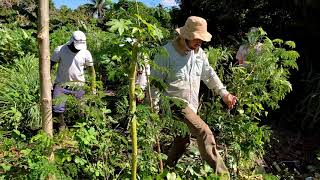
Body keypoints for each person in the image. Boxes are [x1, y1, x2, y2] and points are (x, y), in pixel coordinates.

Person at [151, 16, 237, 178]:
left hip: (191, 106)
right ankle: (223, 175)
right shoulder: (166, 53)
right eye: (197, 38)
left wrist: (224, 94)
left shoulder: (199, 53)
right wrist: (153, 109)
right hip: (172, 103)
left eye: (202, 39)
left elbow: (209, 75)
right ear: (186, 35)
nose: (200, 42)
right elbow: (154, 83)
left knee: (182, 141)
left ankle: (165, 173)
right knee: (204, 132)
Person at [50, 30, 96, 130]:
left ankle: (81, 129)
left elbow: (92, 71)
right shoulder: (60, 50)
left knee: (82, 108)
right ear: (71, 41)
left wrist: (93, 86)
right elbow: (49, 66)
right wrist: (49, 82)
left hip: (79, 85)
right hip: (61, 84)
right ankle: (62, 127)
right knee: (57, 108)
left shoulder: (86, 53)